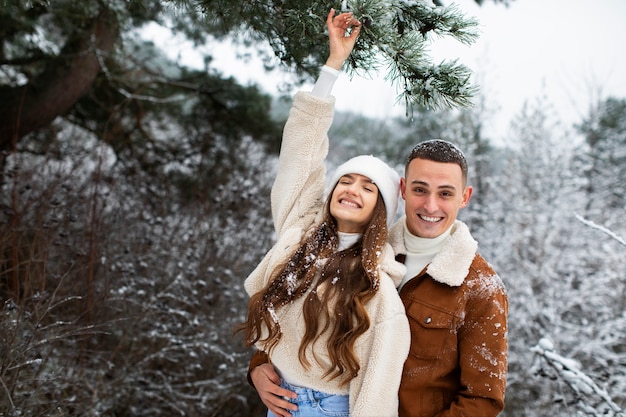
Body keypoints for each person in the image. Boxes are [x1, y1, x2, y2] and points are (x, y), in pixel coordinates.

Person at [247, 21, 509, 417]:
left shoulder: (479, 287)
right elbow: (302, 318)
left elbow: (482, 401)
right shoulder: (372, 253)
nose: (431, 205)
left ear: (465, 197)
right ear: (402, 191)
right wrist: (261, 365)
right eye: (420, 189)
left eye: (446, 193)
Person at [239, 9, 410, 417]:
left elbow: (377, 386)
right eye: (346, 181)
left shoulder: (378, 288)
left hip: (332, 408)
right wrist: (332, 66)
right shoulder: (298, 233)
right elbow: (300, 154)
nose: (352, 189)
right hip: (278, 399)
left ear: (379, 212)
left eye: (369, 188)